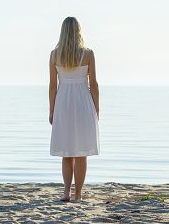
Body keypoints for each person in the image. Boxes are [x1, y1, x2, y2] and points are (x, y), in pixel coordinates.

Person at [49, 16, 100, 201]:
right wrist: (97, 108)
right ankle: (78, 194)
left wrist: (52, 109)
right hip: (83, 103)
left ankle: (66, 192)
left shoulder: (55, 55)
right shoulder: (88, 54)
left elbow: (52, 86)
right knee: (81, 153)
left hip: (63, 103)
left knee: (66, 151)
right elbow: (93, 84)